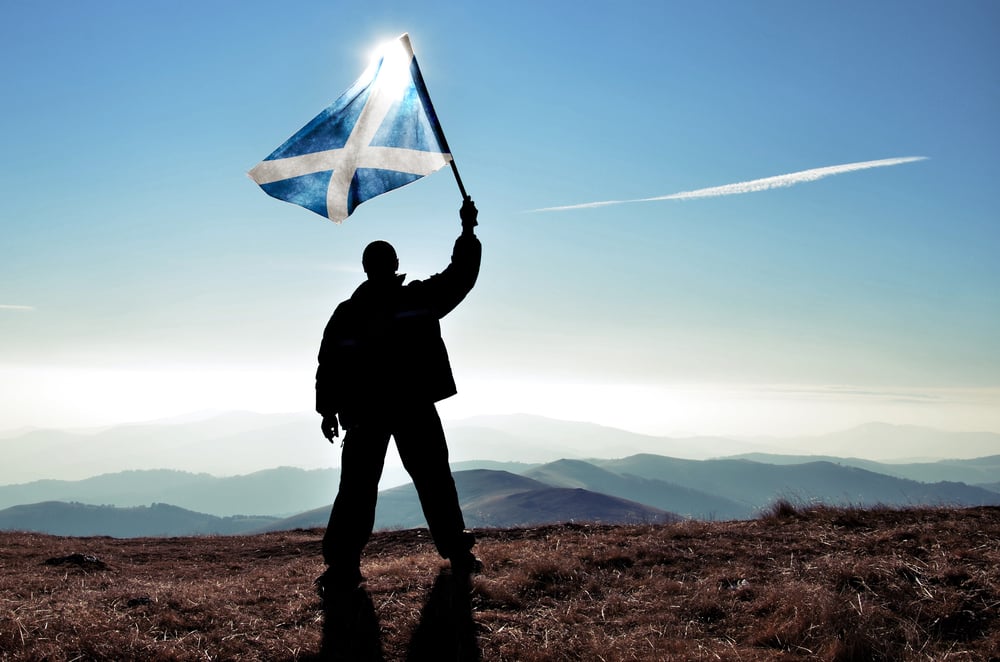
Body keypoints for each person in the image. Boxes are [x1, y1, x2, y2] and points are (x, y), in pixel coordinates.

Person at [315, 198, 482, 594]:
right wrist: (468, 231)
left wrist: (328, 410)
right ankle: (457, 552)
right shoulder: (417, 299)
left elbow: (329, 364)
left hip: (367, 412)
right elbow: (460, 277)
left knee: (358, 489)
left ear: (367, 268)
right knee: (433, 481)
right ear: (393, 265)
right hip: (411, 406)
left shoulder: (349, 312)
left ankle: (343, 566)